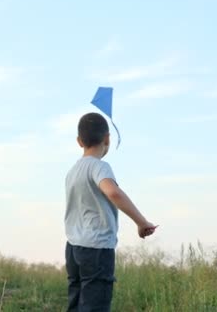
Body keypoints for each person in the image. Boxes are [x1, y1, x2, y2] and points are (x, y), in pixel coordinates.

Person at [65, 112, 157, 311]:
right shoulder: (99, 167)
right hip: (97, 249)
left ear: (79, 141)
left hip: (73, 249)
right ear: (107, 138)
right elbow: (113, 192)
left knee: (76, 304)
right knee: (94, 306)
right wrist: (141, 222)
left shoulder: (72, 172)